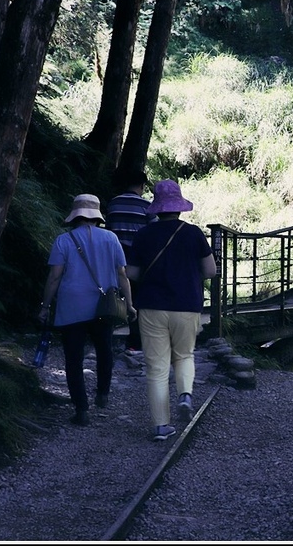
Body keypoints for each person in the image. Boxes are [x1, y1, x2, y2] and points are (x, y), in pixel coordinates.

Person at [127, 179, 216, 441]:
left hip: (151, 306)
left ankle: (160, 427)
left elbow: (132, 272)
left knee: (156, 367)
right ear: (179, 206)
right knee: (185, 355)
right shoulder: (193, 233)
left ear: (156, 206)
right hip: (186, 305)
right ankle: (185, 395)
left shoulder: (144, 235)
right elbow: (210, 271)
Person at [38, 194, 136, 426]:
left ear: (75, 215)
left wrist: (44, 306)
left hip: (71, 307)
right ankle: (102, 393)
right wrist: (130, 304)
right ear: (97, 215)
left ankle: (81, 409)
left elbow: (54, 277)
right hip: (104, 307)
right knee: (104, 350)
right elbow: (122, 274)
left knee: (73, 358)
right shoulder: (111, 239)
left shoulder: (63, 240)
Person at [105, 169, 156, 355]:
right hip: (137, 259)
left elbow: (109, 230)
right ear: (142, 186)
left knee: (114, 296)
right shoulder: (146, 206)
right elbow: (154, 232)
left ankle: (106, 337)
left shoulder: (114, 203)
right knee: (137, 300)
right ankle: (134, 341)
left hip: (115, 258)